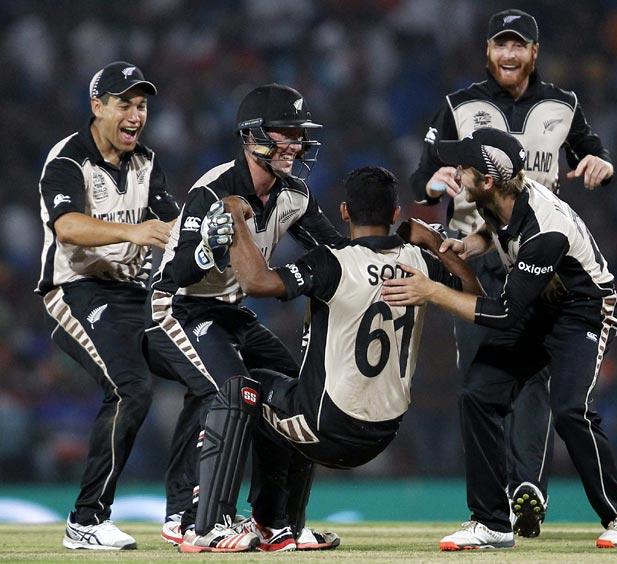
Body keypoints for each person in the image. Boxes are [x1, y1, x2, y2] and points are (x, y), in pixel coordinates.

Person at [178, 165, 482, 553]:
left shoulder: (332, 260)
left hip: (328, 426)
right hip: (384, 433)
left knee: (240, 388)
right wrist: (430, 239)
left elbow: (258, 283)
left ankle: (206, 524)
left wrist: (235, 219)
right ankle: (276, 526)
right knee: (291, 389)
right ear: (394, 214)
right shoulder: (418, 261)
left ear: (343, 212)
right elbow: (474, 292)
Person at [384, 128, 617, 550]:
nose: (456, 173)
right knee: (478, 393)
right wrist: (472, 244)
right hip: (544, 308)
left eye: (464, 168)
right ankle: (492, 522)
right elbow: (497, 231)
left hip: (585, 311)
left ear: (487, 180)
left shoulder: (545, 232)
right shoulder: (501, 197)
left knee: (569, 410)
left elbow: (503, 314)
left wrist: (432, 291)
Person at [409, 8, 615, 537]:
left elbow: (592, 152)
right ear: (487, 50)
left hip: (536, 259)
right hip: (476, 255)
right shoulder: (460, 106)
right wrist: (435, 184)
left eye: (517, 45)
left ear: (534, 52)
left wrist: (600, 163)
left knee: (534, 381)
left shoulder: (563, 105)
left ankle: (527, 490)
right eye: (500, 44)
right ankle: (499, 494)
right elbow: (420, 177)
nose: (508, 54)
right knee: (482, 378)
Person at [145, 83, 350, 552]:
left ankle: (277, 522)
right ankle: (197, 519)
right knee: (232, 388)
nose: (296, 142)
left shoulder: (295, 194)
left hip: (231, 312)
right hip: (175, 306)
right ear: (253, 135)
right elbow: (176, 270)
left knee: (297, 390)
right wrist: (205, 249)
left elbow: (336, 250)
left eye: (299, 132)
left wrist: (380, 253)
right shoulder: (212, 189)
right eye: (286, 132)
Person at [36, 61, 180, 550]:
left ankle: (189, 513)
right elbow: (67, 227)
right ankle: (86, 520)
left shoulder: (147, 161)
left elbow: (170, 219)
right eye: (125, 104)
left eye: (141, 105)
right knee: (130, 390)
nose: (136, 114)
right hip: (77, 290)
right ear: (97, 107)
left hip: (133, 294)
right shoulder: (67, 160)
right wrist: (133, 231)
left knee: (214, 377)